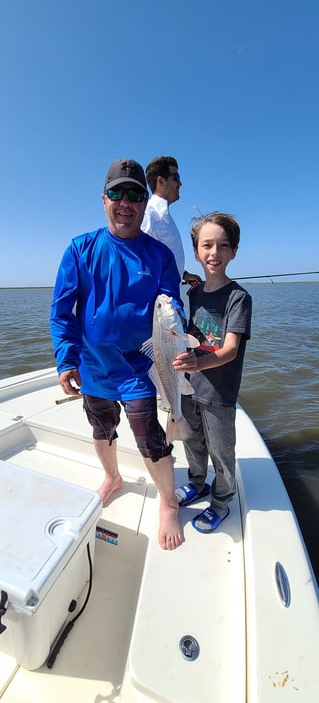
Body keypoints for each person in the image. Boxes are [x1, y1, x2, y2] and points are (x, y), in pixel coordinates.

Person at [50, 158, 183, 551]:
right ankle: (113, 477)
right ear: (103, 200)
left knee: (149, 439)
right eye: (117, 193)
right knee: (101, 428)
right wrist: (66, 359)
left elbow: (173, 306)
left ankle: (169, 501)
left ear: (145, 202)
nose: (126, 202)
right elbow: (61, 311)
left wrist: (174, 312)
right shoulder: (80, 249)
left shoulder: (159, 256)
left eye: (135, 194)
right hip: (93, 367)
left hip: (142, 366)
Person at [172, 212, 252, 532]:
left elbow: (230, 349)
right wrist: (188, 275)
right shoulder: (191, 292)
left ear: (233, 252)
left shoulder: (238, 298)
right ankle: (196, 481)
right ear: (196, 252)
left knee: (221, 450)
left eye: (222, 246)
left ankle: (221, 501)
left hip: (218, 391)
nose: (214, 253)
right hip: (189, 385)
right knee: (191, 440)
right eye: (207, 245)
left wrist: (199, 362)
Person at [141, 156, 202, 287]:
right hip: (156, 300)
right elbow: (140, 264)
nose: (180, 183)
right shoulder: (149, 215)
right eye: (176, 178)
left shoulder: (163, 215)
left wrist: (184, 274)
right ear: (161, 182)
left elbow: (161, 258)